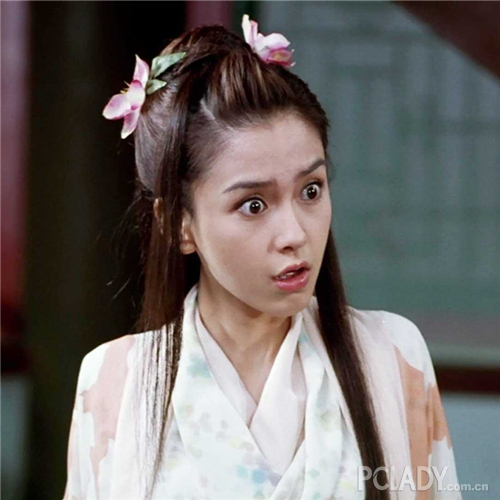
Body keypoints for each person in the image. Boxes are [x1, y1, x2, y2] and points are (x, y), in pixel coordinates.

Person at [63, 15, 461, 500]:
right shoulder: (115, 381)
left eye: (311, 190)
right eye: (253, 205)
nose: (295, 234)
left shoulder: (392, 356)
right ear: (179, 225)